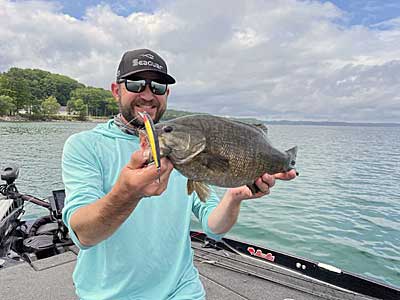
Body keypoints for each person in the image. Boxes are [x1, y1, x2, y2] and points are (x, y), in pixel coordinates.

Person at [62, 48, 296, 300]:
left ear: (167, 94)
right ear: (116, 90)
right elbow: (83, 235)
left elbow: (214, 227)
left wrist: (234, 198)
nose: (148, 95)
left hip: (182, 290)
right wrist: (127, 193)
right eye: (136, 83)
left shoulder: (187, 158)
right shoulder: (84, 145)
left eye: (158, 87)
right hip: (106, 294)